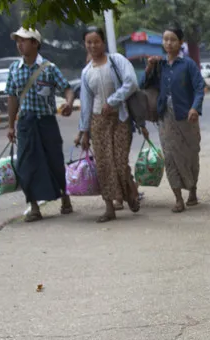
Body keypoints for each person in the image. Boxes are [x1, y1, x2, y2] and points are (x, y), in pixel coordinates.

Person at [4, 27, 76, 223]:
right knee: (26, 165)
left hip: (46, 122)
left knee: (54, 162)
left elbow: (67, 89)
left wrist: (68, 103)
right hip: (26, 123)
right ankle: (34, 206)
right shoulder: (14, 70)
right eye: (17, 41)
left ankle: (65, 198)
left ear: (35, 43)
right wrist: (11, 125)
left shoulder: (49, 68)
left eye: (24, 40)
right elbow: (12, 99)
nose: (20, 44)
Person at [76, 26, 142, 223]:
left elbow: (131, 83)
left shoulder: (117, 61)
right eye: (89, 42)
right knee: (104, 165)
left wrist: (112, 101)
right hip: (98, 121)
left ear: (103, 42)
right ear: (85, 45)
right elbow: (86, 103)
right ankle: (109, 207)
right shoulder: (86, 72)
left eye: (96, 41)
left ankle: (130, 190)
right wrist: (83, 132)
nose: (93, 45)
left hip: (120, 117)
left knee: (120, 161)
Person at [144, 27, 205, 213]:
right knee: (170, 156)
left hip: (187, 118)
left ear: (180, 42)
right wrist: (149, 67)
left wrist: (195, 107)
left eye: (172, 39)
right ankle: (178, 198)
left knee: (190, 155)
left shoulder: (188, 64)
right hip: (165, 118)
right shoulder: (159, 65)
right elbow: (143, 84)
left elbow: (199, 87)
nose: (168, 43)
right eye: (165, 39)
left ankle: (192, 189)